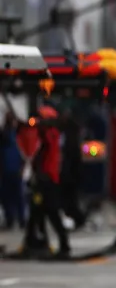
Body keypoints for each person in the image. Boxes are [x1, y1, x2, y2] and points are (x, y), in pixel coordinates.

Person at [21, 105, 69, 257]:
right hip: (42, 180)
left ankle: (64, 246)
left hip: (48, 181)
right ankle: (33, 242)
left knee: (52, 212)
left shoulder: (52, 134)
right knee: (36, 211)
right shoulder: (45, 135)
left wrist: (40, 124)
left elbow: (45, 137)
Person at [0, 112, 25, 230]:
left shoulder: (15, 134)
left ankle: (16, 219)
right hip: (9, 169)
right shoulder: (12, 135)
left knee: (12, 196)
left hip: (10, 169)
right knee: (13, 196)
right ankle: (17, 219)